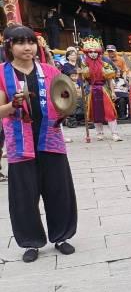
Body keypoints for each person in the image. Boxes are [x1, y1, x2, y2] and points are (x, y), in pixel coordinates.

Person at [0, 25, 78, 263]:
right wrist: (13, 104)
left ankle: (61, 236)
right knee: (24, 196)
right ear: (9, 46)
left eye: (31, 42)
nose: (27, 48)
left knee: (59, 191)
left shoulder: (49, 71)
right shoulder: (2, 74)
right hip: (20, 143)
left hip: (50, 139)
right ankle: (31, 241)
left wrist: (68, 106)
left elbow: (66, 97)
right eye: (21, 43)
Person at [80, 37, 122, 141]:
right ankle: (99, 133)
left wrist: (113, 92)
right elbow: (83, 80)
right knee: (95, 112)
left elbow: (110, 79)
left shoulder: (105, 63)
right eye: (90, 52)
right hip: (91, 90)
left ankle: (114, 133)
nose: (93, 54)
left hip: (103, 89)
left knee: (110, 112)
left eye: (95, 52)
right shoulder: (84, 64)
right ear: (87, 53)